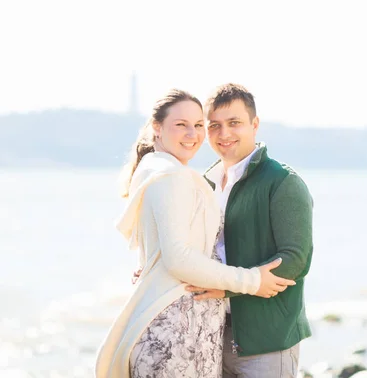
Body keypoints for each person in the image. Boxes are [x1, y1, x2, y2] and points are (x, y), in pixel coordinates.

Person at [95, 89, 295, 378]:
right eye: (180, 125)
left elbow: (167, 253)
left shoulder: (155, 171)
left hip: (175, 329)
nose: (193, 134)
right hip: (178, 336)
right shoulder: (171, 176)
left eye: (199, 125)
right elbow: (180, 259)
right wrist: (251, 281)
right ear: (156, 128)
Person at [184, 84, 313, 378]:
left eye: (234, 123)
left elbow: (295, 260)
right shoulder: (204, 184)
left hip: (267, 340)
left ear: (254, 125)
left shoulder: (282, 181)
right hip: (211, 335)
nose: (224, 134)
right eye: (214, 125)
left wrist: (227, 287)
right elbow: (189, 250)